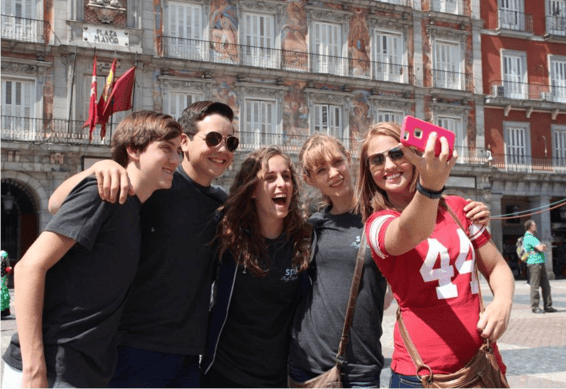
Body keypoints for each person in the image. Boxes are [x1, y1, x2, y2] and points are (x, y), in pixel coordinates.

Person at [46, 101, 238, 387]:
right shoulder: (157, 182)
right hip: (133, 346)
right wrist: (101, 167)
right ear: (183, 141)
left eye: (231, 142)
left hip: (187, 353)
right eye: (213, 139)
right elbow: (55, 204)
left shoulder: (222, 205)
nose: (223, 150)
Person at [288, 134, 492, 387]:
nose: (333, 173)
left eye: (337, 162)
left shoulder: (382, 216)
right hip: (308, 358)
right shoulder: (312, 227)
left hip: (362, 359)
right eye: (321, 170)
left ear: (349, 160)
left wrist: (471, 213)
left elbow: (416, 232)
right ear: (310, 179)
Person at [2, 111, 183, 388]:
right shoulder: (104, 194)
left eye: (179, 152)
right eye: (166, 149)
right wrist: (34, 370)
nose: (176, 160)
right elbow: (29, 267)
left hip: (85, 372)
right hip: (52, 369)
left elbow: (54, 203)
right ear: (133, 149)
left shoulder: (133, 207)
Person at [356, 122, 514, 388]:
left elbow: (497, 266)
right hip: (419, 375)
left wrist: (504, 303)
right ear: (369, 171)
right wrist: (430, 188)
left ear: (414, 154)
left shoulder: (459, 208)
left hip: (481, 365)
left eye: (397, 154)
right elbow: (409, 232)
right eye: (376, 160)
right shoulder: (377, 224)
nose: (389, 166)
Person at [201, 146, 313, 388]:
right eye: (270, 178)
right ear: (252, 189)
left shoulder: (303, 241)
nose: (282, 184)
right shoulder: (228, 235)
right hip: (224, 375)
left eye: (286, 176)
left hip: (279, 379)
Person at [523, 219, 557, 314]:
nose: (536, 227)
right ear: (530, 227)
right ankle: (535, 307)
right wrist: (543, 246)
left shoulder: (532, 237)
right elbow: (541, 248)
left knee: (546, 285)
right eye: (534, 225)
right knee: (535, 285)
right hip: (534, 263)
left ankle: (548, 305)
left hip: (539, 262)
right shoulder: (529, 237)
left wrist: (542, 246)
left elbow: (542, 247)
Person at [1, 250, 12, 319]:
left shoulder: (3, 254)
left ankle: (2, 312)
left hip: (2, 278)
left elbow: (8, 267)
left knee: (2, 295)